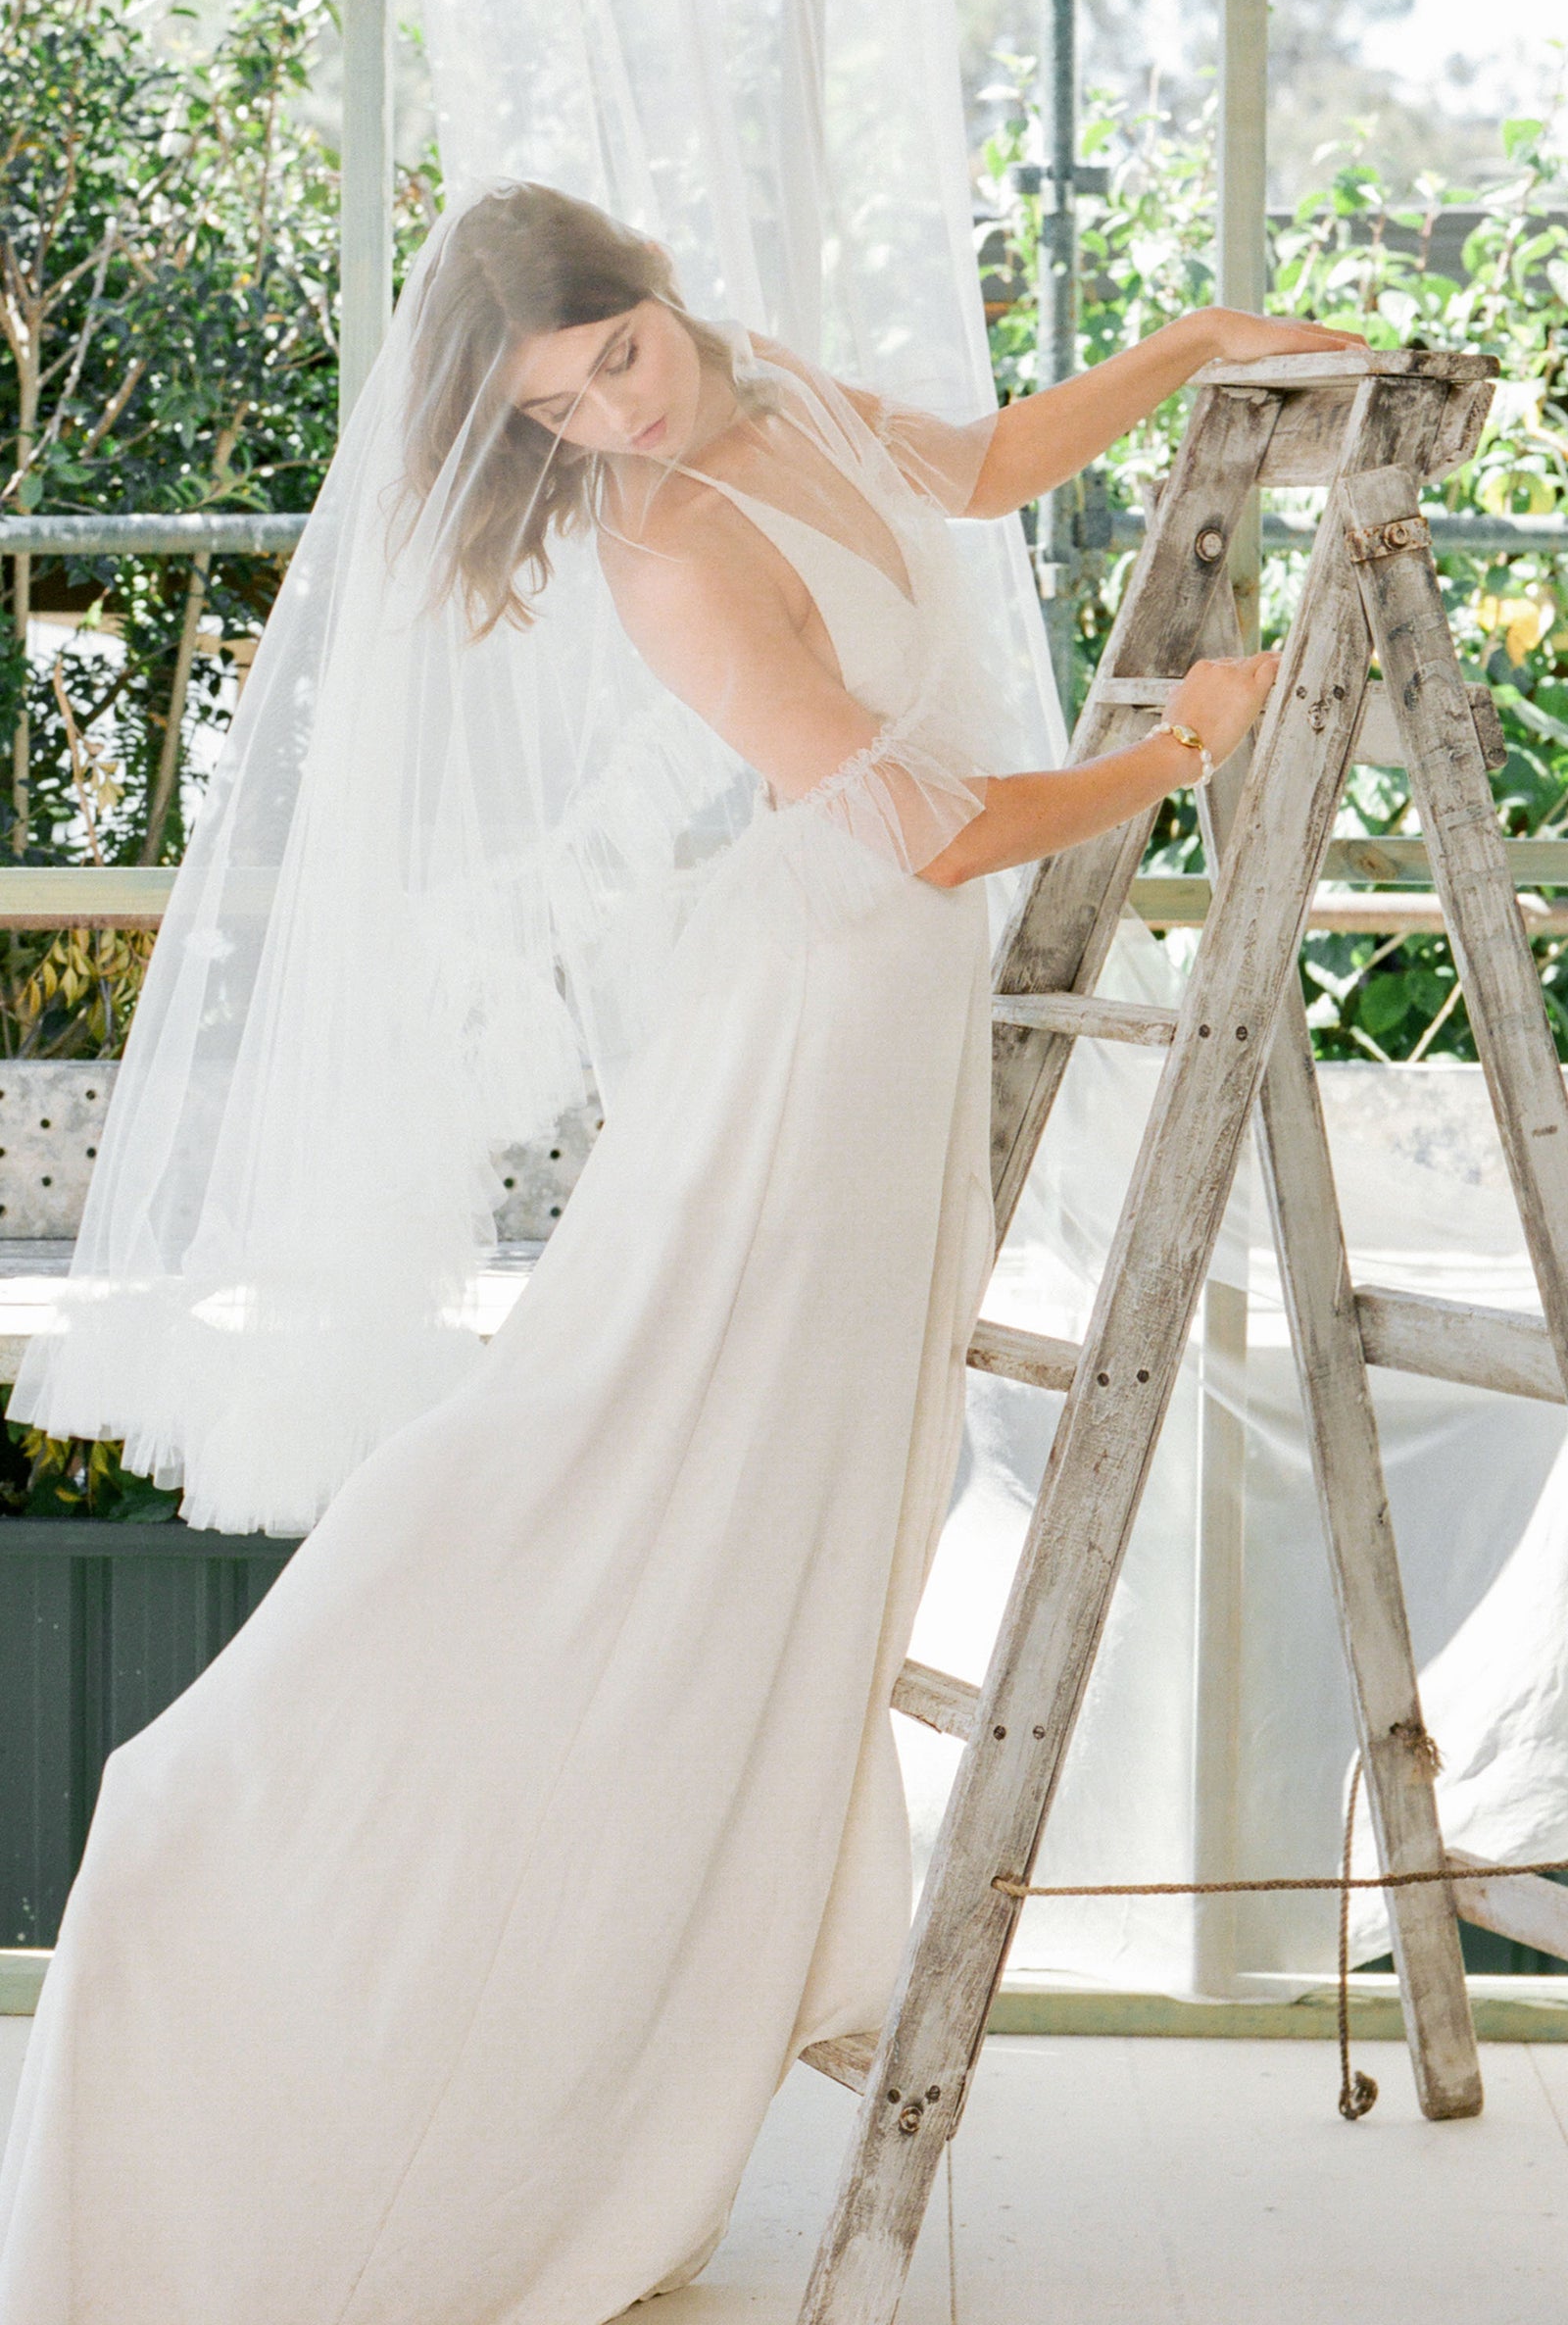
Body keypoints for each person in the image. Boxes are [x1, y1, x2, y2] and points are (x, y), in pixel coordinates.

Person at [0, 180, 1364, 2323]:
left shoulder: (786, 396)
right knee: (636, 1447)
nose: (612, 423)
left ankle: (648, 1936)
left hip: (878, 1012)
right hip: (812, 1029)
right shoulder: (666, 558)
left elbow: (984, 465)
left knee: (769, 1493)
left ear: (659, 290)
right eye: (556, 412)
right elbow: (917, 830)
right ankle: (246, 1843)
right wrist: (1178, 747)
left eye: (617, 359)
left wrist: (1186, 348)